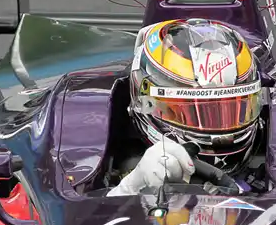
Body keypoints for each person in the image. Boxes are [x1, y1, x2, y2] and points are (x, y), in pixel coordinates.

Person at [108, 18, 266, 196]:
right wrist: (128, 189)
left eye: (233, 110)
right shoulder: (126, 167)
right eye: (191, 112)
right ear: (146, 102)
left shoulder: (271, 159)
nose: (220, 136)